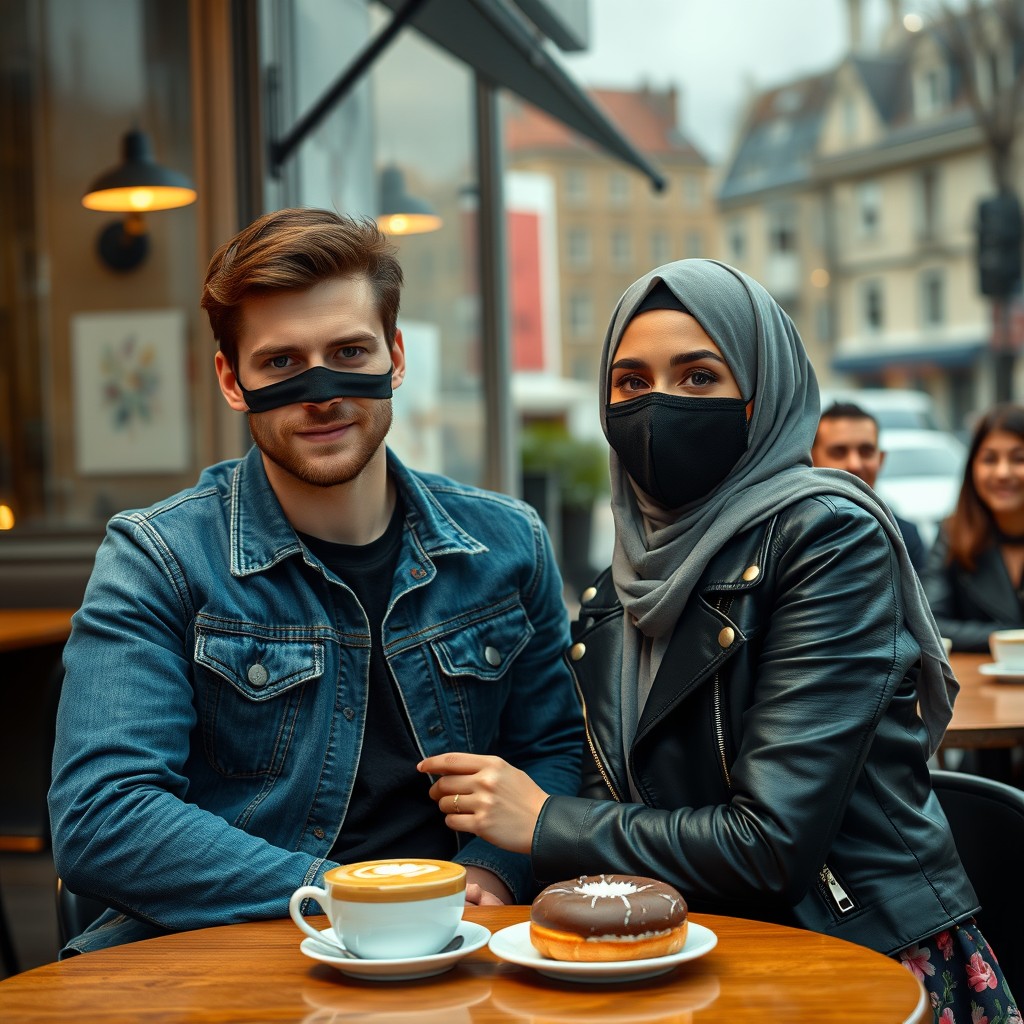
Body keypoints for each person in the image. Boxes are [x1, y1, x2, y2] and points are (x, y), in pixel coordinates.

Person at [418, 259, 1018, 1021]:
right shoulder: (620, 587)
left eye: (699, 377)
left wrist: (542, 823)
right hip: (682, 955)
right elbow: (608, 795)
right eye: (630, 382)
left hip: (855, 964)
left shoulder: (828, 538)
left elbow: (770, 848)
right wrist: (496, 867)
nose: (658, 405)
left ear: (759, 399)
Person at [48, 208, 583, 955]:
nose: (321, 391)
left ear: (395, 358)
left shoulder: (508, 544)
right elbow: (103, 817)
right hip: (227, 955)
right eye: (281, 363)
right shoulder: (157, 558)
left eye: (349, 350)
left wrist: (493, 872)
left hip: (459, 944)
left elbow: (556, 750)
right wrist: (356, 898)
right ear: (232, 380)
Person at [923, 403, 1024, 652]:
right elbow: (930, 626)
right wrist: (1010, 637)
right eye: (989, 459)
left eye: (1018, 458)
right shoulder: (951, 533)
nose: (1003, 472)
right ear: (972, 469)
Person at [812, 401, 926, 571]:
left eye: (866, 451)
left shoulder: (904, 537)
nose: (854, 464)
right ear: (811, 458)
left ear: (880, 459)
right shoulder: (789, 533)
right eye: (839, 451)